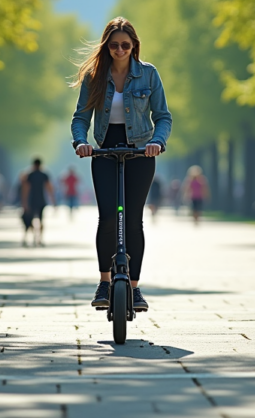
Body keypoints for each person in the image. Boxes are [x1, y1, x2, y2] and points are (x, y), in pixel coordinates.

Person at [71, 16, 172, 312]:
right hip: (103, 150)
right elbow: (80, 117)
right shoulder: (95, 76)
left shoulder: (149, 75)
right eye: (114, 45)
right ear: (106, 46)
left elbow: (163, 116)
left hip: (141, 151)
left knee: (132, 220)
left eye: (125, 45)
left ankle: (135, 288)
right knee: (107, 217)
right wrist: (81, 142)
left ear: (134, 46)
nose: (119, 50)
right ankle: (104, 281)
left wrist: (157, 142)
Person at [21, 158, 55, 247]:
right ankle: (40, 238)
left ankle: (32, 237)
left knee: (30, 220)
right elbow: (49, 188)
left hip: (32, 200)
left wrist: (24, 202)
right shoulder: (44, 175)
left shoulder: (30, 175)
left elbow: (26, 189)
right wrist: (53, 201)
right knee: (41, 220)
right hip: (41, 200)